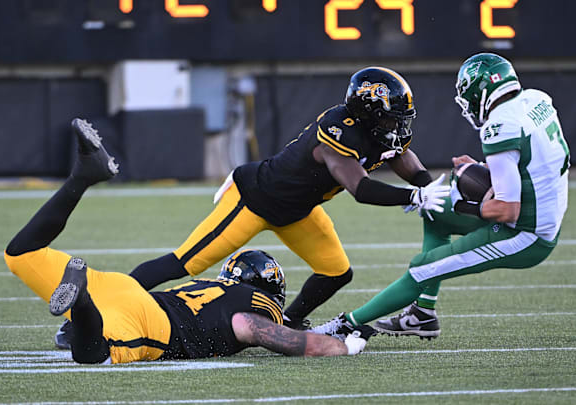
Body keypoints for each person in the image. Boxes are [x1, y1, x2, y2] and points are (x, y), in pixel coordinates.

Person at [4, 119, 376, 364]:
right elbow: (262, 332)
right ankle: (81, 301)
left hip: (124, 288)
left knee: (22, 254)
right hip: (147, 322)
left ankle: (82, 178)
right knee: (96, 356)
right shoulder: (256, 305)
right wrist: (343, 346)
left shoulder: (215, 286)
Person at [124, 66, 450, 330]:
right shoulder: (338, 131)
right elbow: (360, 189)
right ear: (368, 114)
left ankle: (290, 322)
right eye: (391, 117)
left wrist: (429, 185)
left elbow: (401, 156)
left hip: (297, 210)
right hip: (253, 200)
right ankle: (104, 305)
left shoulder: (378, 132)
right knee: (187, 261)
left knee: (336, 271)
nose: (397, 125)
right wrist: (415, 196)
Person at [311, 53, 570, 339]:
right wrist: (484, 168)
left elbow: (507, 210)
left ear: (481, 90)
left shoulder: (499, 127)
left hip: (526, 234)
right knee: (433, 211)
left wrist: (466, 204)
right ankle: (422, 314)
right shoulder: (536, 100)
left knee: (423, 268)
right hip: (538, 211)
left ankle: (345, 325)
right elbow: (531, 162)